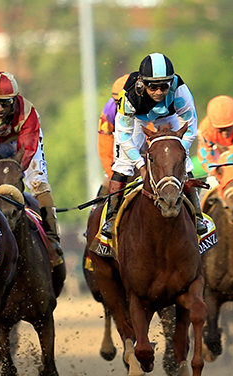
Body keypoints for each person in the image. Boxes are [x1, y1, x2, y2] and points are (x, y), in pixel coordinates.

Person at [93, 52, 203, 257]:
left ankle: (197, 215)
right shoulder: (129, 97)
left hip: (167, 117)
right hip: (137, 120)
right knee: (123, 164)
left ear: (171, 82)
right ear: (143, 83)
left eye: (164, 86)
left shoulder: (180, 90)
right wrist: (141, 166)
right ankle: (111, 217)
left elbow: (190, 126)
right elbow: (125, 138)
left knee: (183, 163)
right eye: (153, 86)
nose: (159, 92)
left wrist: (179, 151)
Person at [0, 71, 62, 256]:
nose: (1, 109)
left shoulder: (28, 112)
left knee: (39, 183)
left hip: (22, 143)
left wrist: (13, 174)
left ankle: (52, 238)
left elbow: (26, 152)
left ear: (15, 99)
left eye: (6, 103)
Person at [196, 95, 233, 170]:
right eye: (220, 130)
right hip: (218, 152)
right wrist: (216, 172)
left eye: (228, 128)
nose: (225, 134)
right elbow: (206, 159)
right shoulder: (205, 130)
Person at [97, 74, 130, 195]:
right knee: (102, 196)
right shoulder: (109, 111)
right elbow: (105, 148)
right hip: (120, 161)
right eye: (117, 102)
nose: (120, 107)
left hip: (147, 159)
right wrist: (113, 176)